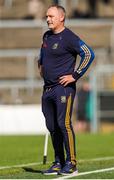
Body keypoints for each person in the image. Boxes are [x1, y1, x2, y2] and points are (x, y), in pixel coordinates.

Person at [37, 5, 95, 175]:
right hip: (47, 89)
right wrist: (40, 66)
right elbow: (42, 56)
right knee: (52, 126)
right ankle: (58, 162)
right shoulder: (46, 36)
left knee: (64, 124)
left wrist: (75, 76)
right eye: (46, 16)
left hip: (63, 89)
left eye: (51, 16)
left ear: (61, 17)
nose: (48, 19)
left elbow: (89, 54)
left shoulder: (69, 37)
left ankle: (72, 163)